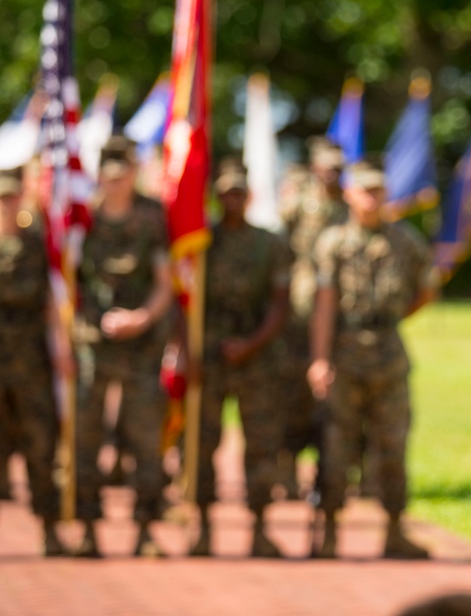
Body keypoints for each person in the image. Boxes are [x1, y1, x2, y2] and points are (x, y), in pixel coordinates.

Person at [307, 161, 436, 559]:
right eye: (364, 191)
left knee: (392, 444)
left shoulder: (405, 241)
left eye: (378, 191)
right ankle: (328, 532)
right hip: (344, 355)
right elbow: (324, 303)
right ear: (349, 194)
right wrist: (320, 358)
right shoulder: (332, 242)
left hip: (388, 356)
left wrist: (392, 317)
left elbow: (426, 288)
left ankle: (394, 531)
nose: (371, 199)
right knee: (336, 446)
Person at [74, 135, 174, 557]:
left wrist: (142, 319)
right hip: (93, 348)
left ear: (134, 173)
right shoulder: (81, 218)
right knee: (85, 441)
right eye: (109, 176)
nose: (116, 183)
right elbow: (67, 282)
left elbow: (165, 283)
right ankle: (87, 530)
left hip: (141, 348)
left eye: (124, 174)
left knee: (144, 441)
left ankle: (146, 530)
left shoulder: (153, 218)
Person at [189, 159, 292, 557]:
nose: (232, 200)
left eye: (239, 193)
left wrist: (252, 344)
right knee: (201, 443)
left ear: (249, 197)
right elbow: (187, 300)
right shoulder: (200, 243)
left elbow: (279, 304)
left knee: (262, 446)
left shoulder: (270, 244)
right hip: (210, 356)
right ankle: (201, 525)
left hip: (257, 358)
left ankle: (260, 528)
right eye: (225, 193)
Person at [0, 167, 73, 555]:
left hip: (30, 365)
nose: (6, 205)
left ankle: (50, 529)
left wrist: (62, 348)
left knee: (41, 450)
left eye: (12, 197)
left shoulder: (37, 246)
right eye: (1, 198)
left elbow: (51, 302)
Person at [275, 138, 349, 500]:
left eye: (338, 167)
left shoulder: (349, 206)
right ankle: (287, 469)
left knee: (336, 402)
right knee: (293, 395)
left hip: (338, 315)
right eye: (327, 167)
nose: (333, 174)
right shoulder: (297, 202)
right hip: (298, 314)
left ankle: (336, 474)